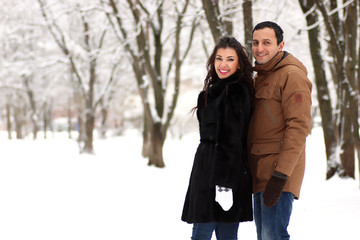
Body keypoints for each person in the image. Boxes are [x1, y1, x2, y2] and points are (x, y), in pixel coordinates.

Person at [181, 36, 254, 240]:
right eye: (219, 58)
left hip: (223, 176)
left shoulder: (236, 91)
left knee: (206, 235)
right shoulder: (212, 91)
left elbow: (232, 141)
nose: (223, 64)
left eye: (230, 59)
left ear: (239, 64)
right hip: (206, 172)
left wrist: (224, 186)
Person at [248, 21, 312, 240]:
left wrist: (280, 175)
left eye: (267, 42)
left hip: (278, 173)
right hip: (260, 170)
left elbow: (299, 127)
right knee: (264, 236)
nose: (260, 48)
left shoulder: (291, 75)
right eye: (255, 42)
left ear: (280, 45)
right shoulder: (261, 77)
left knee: (273, 236)